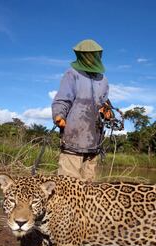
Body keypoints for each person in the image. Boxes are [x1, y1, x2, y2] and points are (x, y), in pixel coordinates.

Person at [51, 39, 111, 181]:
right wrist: (59, 115)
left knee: (89, 187)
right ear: (81, 55)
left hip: (94, 138)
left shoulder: (103, 79)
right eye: (87, 55)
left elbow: (103, 102)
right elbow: (63, 99)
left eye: (93, 55)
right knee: (68, 184)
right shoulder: (71, 74)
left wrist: (107, 112)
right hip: (74, 135)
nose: (90, 58)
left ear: (98, 55)